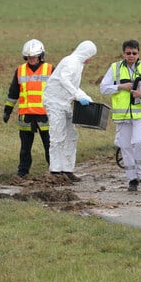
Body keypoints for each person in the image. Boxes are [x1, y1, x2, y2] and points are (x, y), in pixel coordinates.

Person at [100, 40, 141, 191]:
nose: (131, 56)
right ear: (123, 53)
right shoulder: (115, 68)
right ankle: (132, 180)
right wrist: (120, 87)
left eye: (134, 53)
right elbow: (103, 88)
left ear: (139, 53)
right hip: (122, 116)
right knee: (125, 146)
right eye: (128, 53)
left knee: (139, 141)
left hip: (140, 114)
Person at [42, 40, 97, 182]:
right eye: (92, 55)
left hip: (65, 102)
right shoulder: (71, 62)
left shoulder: (79, 64)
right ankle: (55, 170)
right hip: (54, 102)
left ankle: (67, 169)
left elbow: (72, 85)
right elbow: (64, 80)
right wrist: (78, 95)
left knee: (71, 135)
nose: (92, 59)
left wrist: (85, 97)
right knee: (57, 136)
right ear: (87, 53)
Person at [3, 39, 52, 177]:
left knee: (49, 146)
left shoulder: (50, 69)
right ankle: (22, 172)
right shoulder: (20, 71)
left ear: (41, 56)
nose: (32, 60)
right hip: (26, 115)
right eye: (29, 57)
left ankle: (54, 170)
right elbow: (13, 93)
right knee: (25, 148)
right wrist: (7, 110)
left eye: (34, 57)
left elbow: (58, 90)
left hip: (45, 115)